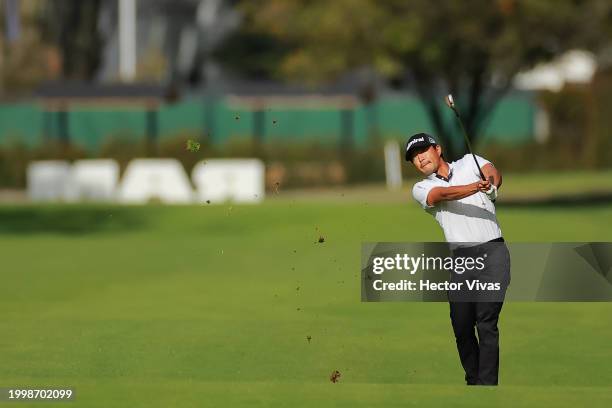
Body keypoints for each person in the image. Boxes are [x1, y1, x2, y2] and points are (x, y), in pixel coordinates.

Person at [405, 132, 510, 386]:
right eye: (414, 158)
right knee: (462, 327)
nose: (420, 159)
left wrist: (491, 182)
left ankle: (486, 388)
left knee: (486, 322)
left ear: (438, 149)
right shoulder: (421, 188)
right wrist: (476, 186)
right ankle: (473, 382)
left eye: (423, 151)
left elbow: (492, 172)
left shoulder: (470, 161)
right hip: (462, 261)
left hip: (493, 253)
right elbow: (442, 195)